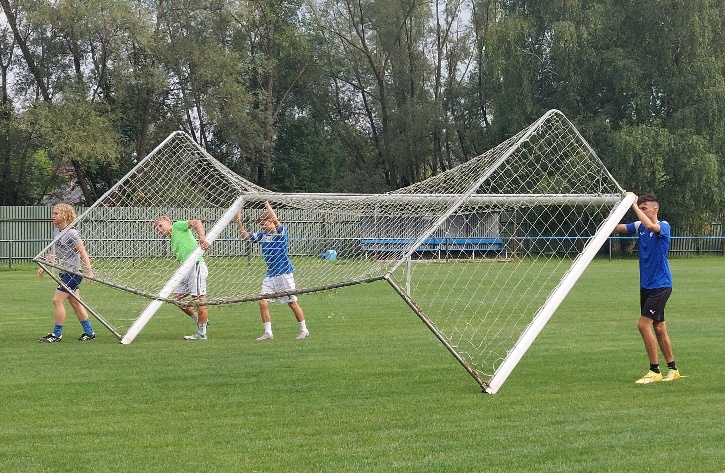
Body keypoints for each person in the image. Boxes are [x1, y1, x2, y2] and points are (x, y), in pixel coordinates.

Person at [613, 192, 681, 384]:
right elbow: (615, 228)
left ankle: (654, 370)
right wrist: (620, 205)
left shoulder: (664, 226)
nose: (641, 211)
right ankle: (673, 369)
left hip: (661, 285)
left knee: (643, 325)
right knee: (659, 327)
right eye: (640, 208)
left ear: (655, 209)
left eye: (644, 208)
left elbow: (651, 226)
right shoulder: (639, 226)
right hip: (647, 286)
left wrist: (634, 205)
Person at [235, 202, 309, 341]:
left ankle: (304, 330)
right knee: (262, 301)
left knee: (292, 303)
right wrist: (238, 221)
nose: (262, 227)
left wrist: (266, 203)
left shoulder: (281, 232)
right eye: (261, 225)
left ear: (272, 222)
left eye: (264, 224)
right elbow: (246, 236)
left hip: (284, 273)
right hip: (271, 274)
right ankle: (268, 333)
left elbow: (275, 218)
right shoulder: (262, 236)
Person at [37, 203, 96, 343]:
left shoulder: (72, 233)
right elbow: (55, 251)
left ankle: (56, 334)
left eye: (56, 213)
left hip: (73, 274)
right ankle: (89, 332)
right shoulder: (57, 231)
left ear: (65, 215)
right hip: (65, 272)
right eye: (53, 213)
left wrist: (89, 270)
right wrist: (45, 264)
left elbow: (82, 251)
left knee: (57, 300)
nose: (53, 216)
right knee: (75, 302)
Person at [152, 216, 211, 340]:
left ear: (169, 222)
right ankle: (201, 320)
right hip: (185, 271)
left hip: (195, 266)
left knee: (199, 299)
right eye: (157, 229)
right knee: (177, 299)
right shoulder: (172, 240)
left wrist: (202, 238)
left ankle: (202, 333)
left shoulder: (177, 226)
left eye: (160, 225)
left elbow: (196, 222)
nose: (159, 230)